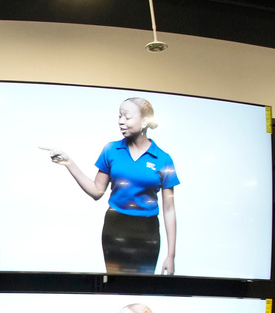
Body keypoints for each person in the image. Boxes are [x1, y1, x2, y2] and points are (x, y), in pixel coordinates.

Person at [40, 97, 179, 275]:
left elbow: (169, 209)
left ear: (144, 121)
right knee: (116, 287)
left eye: (127, 117)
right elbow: (97, 191)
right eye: (119, 116)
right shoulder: (111, 150)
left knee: (143, 288)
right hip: (115, 227)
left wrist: (171, 255)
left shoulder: (163, 159)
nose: (121, 121)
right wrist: (69, 163)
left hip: (147, 232)